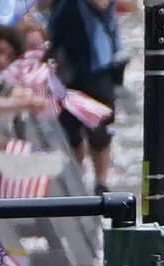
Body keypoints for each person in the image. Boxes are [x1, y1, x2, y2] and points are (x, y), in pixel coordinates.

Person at [44, 0, 124, 192]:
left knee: (98, 129)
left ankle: (101, 182)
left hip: (95, 67)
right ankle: (76, 179)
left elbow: (102, 5)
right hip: (64, 63)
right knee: (69, 129)